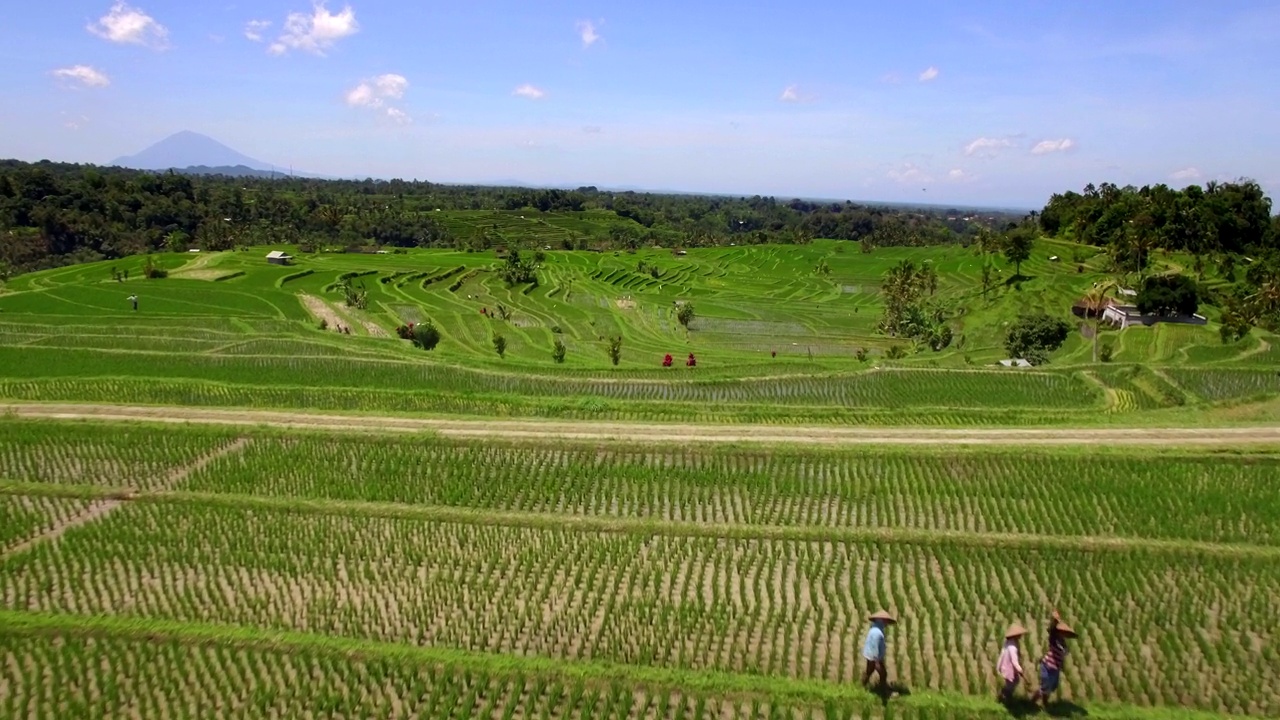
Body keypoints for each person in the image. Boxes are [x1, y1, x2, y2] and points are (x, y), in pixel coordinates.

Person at [1031, 610, 1075, 707]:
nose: (1063, 634)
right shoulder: (1054, 639)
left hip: (1055, 668)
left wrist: (1061, 666)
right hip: (1047, 666)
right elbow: (1052, 630)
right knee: (1044, 687)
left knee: (1051, 687)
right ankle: (1032, 702)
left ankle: (1044, 703)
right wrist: (1056, 620)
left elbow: (1063, 655)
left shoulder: (1063, 644)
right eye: (1061, 632)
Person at [861, 610, 895, 690]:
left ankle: (863, 686)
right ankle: (883, 690)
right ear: (883, 621)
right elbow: (875, 646)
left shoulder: (874, 629)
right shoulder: (878, 632)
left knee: (869, 671)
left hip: (869, 654)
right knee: (883, 674)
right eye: (886, 621)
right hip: (874, 656)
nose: (887, 623)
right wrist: (877, 661)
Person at [996, 623, 1028, 703]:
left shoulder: (1009, 642)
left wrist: (998, 666)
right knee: (1011, 684)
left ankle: (1005, 697)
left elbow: (1002, 654)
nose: (1021, 635)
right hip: (1009, 668)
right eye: (1019, 634)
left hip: (1006, 666)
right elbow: (1014, 661)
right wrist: (1021, 671)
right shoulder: (1012, 647)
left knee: (1014, 682)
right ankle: (1005, 697)